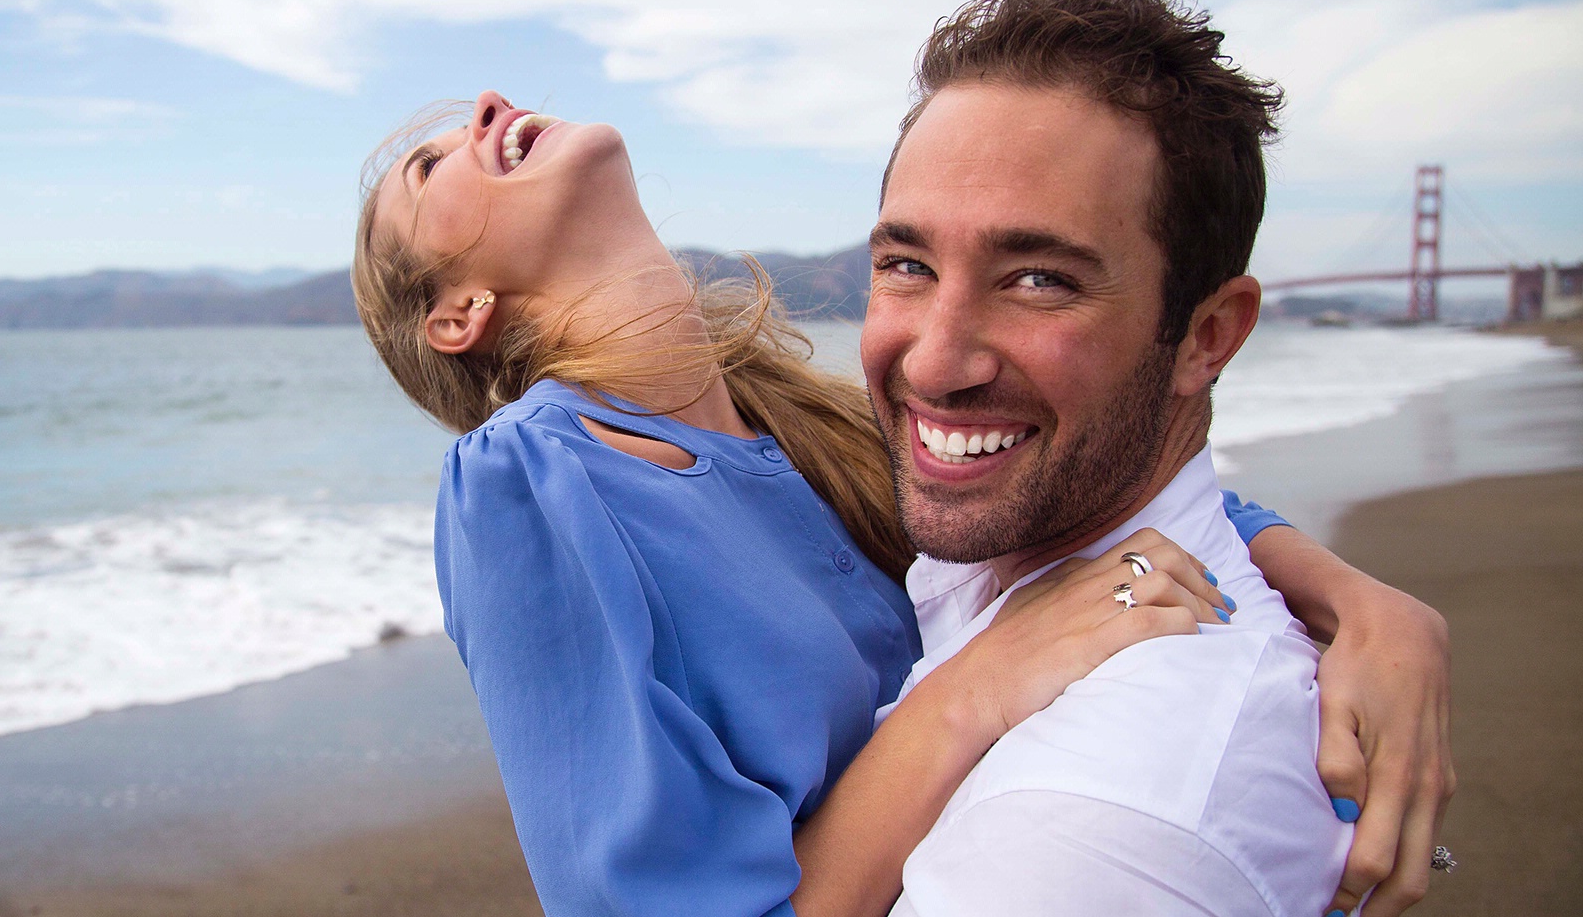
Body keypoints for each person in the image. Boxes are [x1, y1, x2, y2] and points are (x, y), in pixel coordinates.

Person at [350, 87, 1448, 912]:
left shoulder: (797, 424)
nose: (488, 108)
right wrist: (980, 684)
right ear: (459, 315)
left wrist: (1363, 606)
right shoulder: (531, 482)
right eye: (429, 166)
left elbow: (1074, 488)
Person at [849, 0, 1450, 917]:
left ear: (1207, 336)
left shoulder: (1102, 825)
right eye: (908, 265)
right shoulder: (1009, 541)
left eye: (1039, 279)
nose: (933, 363)